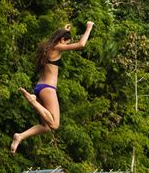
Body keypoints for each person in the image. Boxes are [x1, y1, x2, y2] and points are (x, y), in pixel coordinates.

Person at [10, 21, 94, 153]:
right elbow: (81, 44)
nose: (65, 45)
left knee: (46, 127)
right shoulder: (57, 47)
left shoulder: (47, 47)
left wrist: (64, 30)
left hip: (40, 87)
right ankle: (32, 101)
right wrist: (88, 28)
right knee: (55, 124)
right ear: (61, 40)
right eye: (66, 42)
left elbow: (58, 37)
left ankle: (20, 136)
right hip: (48, 89)